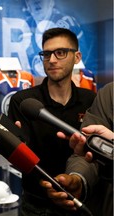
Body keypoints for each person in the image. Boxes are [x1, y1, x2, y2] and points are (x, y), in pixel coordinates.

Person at [7, 27, 96, 215]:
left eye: (60, 53)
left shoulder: (90, 100)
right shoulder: (23, 102)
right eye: (46, 54)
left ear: (77, 57)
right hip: (36, 205)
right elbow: (20, 160)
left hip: (81, 200)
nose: (52, 60)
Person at [41, 81, 113, 216]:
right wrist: (78, 179)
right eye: (45, 57)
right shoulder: (109, 94)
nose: (52, 60)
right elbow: (86, 155)